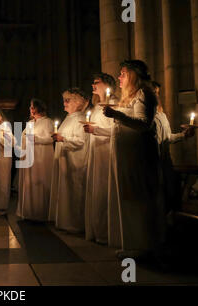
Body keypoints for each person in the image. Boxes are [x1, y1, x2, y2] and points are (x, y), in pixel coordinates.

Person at [103, 60, 164, 259]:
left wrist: (116, 115)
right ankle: (133, 243)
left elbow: (144, 124)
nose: (119, 77)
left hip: (139, 157)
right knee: (129, 199)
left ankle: (145, 245)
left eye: (122, 73)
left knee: (140, 198)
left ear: (133, 75)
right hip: (127, 157)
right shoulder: (131, 97)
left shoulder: (144, 93)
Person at [83, 73, 118, 244]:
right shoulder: (97, 107)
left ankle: (107, 232)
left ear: (107, 85)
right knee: (96, 191)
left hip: (107, 153)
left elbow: (116, 131)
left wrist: (96, 130)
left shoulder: (114, 105)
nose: (93, 84)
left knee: (105, 190)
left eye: (96, 82)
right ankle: (97, 229)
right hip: (96, 152)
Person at [49, 88, 89, 233]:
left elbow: (81, 141)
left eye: (68, 100)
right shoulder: (69, 118)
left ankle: (75, 224)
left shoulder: (80, 119)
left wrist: (62, 139)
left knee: (74, 192)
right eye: (64, 100)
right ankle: (65, 222)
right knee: (65, 191)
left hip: (75, 161)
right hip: (64, 160)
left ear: (78, 103)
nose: (64, 103)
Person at [152, 81, 196, 214]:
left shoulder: (161, 115)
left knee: (169, 197)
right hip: (151, 162)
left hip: (166, 162)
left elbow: (168, 138)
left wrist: (184, 135)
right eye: (153, 92)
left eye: (157, 93)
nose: (156, 96)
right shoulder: (143, 115)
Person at [17, 99, 54, 221]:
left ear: (39, 108)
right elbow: (23, 137)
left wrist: (36, 139)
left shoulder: (48, 122)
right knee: (29, 184)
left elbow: (50, 139)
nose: (30, 109)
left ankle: (40, 213)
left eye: (32, 106)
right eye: (30, 107)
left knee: (40, 183)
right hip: (28, 157)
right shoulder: (30, 123)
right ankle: (29, 212)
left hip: (41, 158)